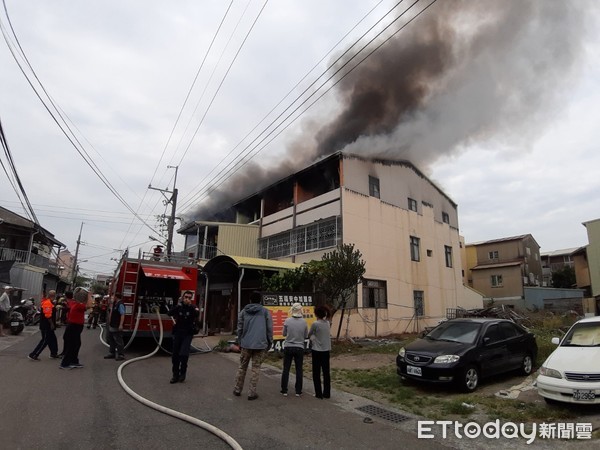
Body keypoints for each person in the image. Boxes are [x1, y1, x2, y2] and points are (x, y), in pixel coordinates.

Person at [233, 291, 273, 400]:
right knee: (256, 368)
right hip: (260, 345)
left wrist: (240, 341)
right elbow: (269, 329)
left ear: (250, 300)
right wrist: (270, 341)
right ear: (260, 300)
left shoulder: (243, 312)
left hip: (246, 344)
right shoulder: (265, 312)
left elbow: (239, 328)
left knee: (242, 367)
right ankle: (251, 392)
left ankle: (237, 389)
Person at [167, 290, 200, 383]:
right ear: (183, 297)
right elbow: (169, 313)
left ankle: (183, 373)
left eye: (189, 298)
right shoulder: (179, 307)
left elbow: (197, 314)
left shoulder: (193, 308)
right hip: (178, 333)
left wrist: (190, 306)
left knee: (184, 354)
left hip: (187, 334)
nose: (187, 299)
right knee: (175, 355)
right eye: (186, 297)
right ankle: (175, 375)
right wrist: (178, 305)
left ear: (191, 299)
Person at [60, 287, 92, 370]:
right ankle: (65, 364)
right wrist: (89, 295)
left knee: (77, 344)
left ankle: (74, 361)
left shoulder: (73, 303)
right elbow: (89, 305)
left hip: (74, 326)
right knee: (72, 345)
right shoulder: (78, 305)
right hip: (74, 327)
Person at [280, 302, 308, 397]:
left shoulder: (287, 321)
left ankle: (284, 390)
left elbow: (283, 334)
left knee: (286, 369)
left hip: (288, 346)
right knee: (299, 369)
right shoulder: (304, 322)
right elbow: (305, 335)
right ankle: (298, 391)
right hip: (299, 347)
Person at [308, 305, 332, 399]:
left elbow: (310, 334)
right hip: (326, 350)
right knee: (326, 373)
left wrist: (312, 338)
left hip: (317, 350)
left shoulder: (315, 324)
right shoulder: (327, 323)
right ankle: (327, 393)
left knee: (316, 372)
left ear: (316, 314)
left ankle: (318, 393)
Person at [28, 290, 59, 360]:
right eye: (54, 295)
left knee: (53, 339)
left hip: (48, 325)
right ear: (53, 296)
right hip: (46, 325)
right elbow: (48, 315)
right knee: (45, 340)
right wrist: (51, 324)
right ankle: (34, 354)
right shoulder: (47, 303)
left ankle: (54, 353)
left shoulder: (50, 302)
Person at [104, 293, 125, 361]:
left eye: (113, 297)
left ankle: (121, 355)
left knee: (118, 340)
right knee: (111, 339)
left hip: (116, 325)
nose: (112, 298)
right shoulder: (115, 304)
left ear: (116, 297)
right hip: (112, 325)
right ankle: (112, 353)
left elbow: (122, 315)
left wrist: (121, 325)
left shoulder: (120, 304)